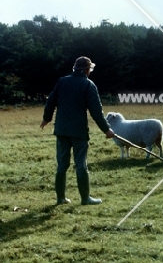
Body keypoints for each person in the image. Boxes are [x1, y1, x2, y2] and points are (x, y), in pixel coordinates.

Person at [40, 56, 115, 205]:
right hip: (78, 132)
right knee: (81, 164)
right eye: (90, 69)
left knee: (62, 164)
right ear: (87, 70)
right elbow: (96, 112)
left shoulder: (62, 81)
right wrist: (107, 130)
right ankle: (85, 198)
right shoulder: (88, 85)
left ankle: (61, 198)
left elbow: (50, 102)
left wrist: (46, 119)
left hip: (61, 130)